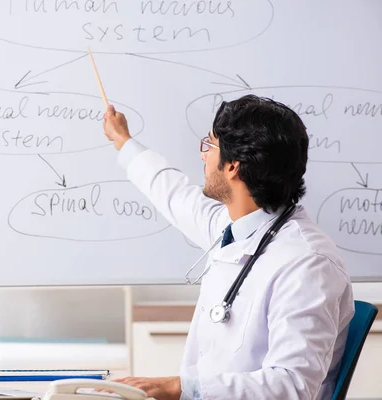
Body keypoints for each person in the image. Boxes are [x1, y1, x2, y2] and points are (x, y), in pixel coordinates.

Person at [102, 95, 354, 400]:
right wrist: (124, 141)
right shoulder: (235, 226)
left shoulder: (308, 263)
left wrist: (178, 387)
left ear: (233, 166)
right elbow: (172, 192)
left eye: (209, 145)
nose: (203, 156)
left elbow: (292, 386)